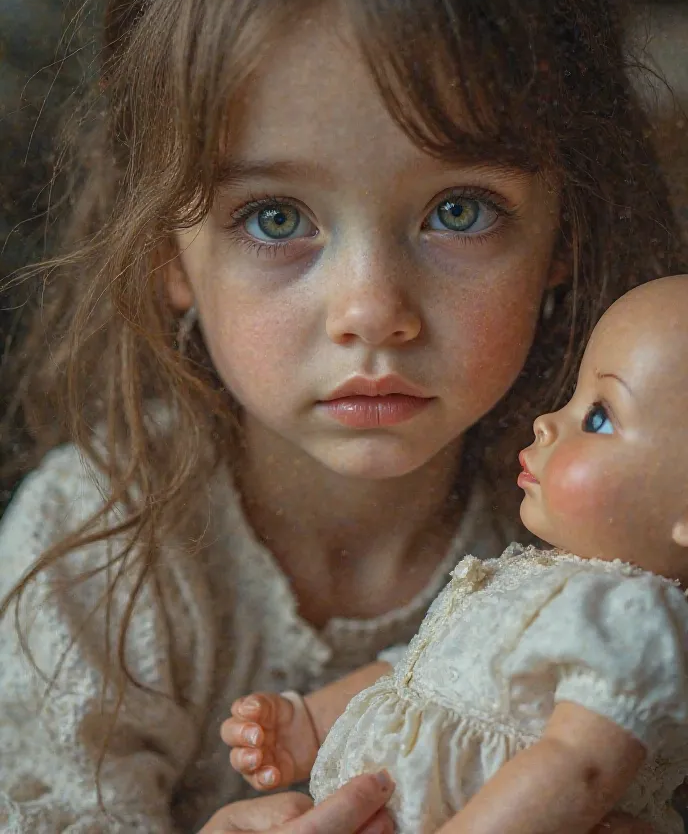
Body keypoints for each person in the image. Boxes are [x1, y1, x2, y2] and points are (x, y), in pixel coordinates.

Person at [0, 0, 682, 831]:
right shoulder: (99, 552)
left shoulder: (606, 532)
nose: (373, 312)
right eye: (276, 218)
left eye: (458, 210)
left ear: (562, 237)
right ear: (164, 252)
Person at [227, 276, 688, 834]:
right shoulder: (532, 576)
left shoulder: (631, 617)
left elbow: (579, 769)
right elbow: (419, 665)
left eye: (598, 417)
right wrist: (312, 721)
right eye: (572, 398)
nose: (547, 422)